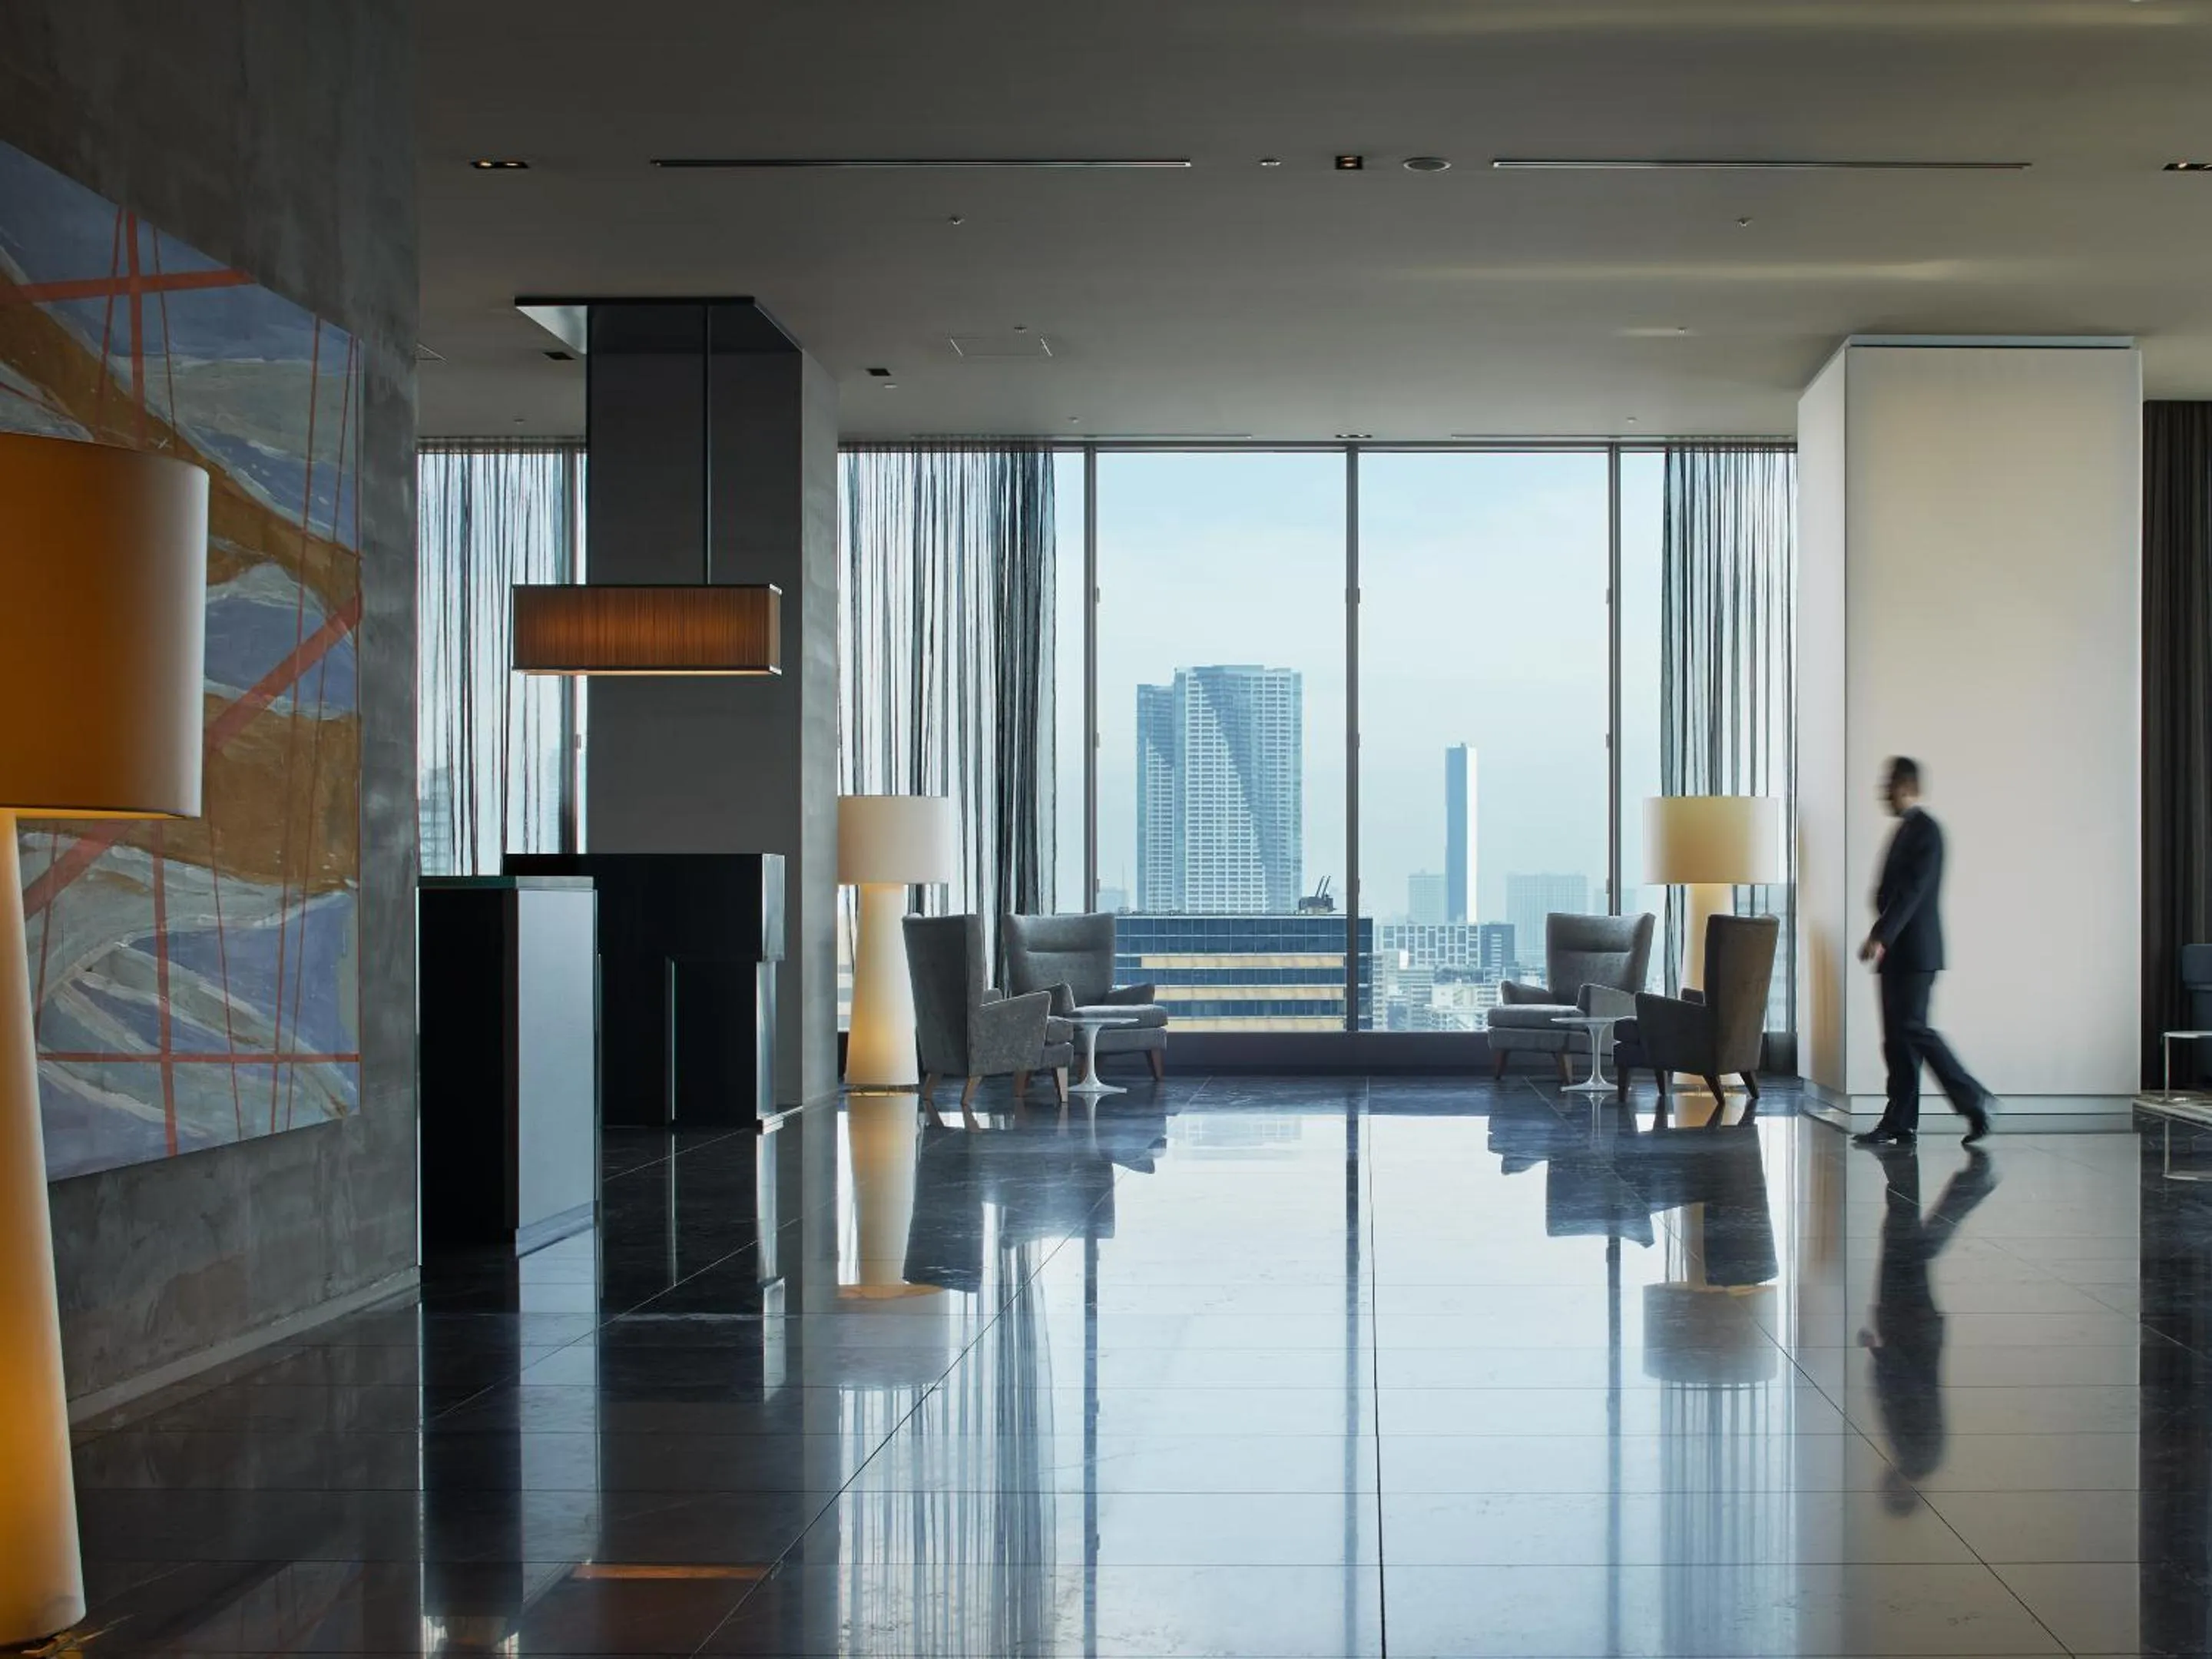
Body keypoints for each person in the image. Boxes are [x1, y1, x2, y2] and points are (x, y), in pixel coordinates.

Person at [1854, 757, 1993, 1147]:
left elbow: (1911, 893)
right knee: (1897, 1040)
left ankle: (1972, 1097)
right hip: (1897, 953)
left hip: (1916, 953)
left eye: (1889, 785)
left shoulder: (1927, 831)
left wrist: (1880, 935)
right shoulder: (1903, 830)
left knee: (1914, 1029)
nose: (1883, 792)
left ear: (1907, 787)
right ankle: (1900, 1120)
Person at [1862, 1142, 1997, 1512]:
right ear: (1903, 1494)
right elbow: (1910, 1394)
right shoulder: (1916, 1454)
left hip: (1915, 1332)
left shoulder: (1921, 1457)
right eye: (1888, 1494)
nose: (1882, 1486)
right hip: (1908, 1331)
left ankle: (1961, 1182)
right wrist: (1879, 1352)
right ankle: (1951, 1179)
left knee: (1907, 1246)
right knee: (1904, 1245)